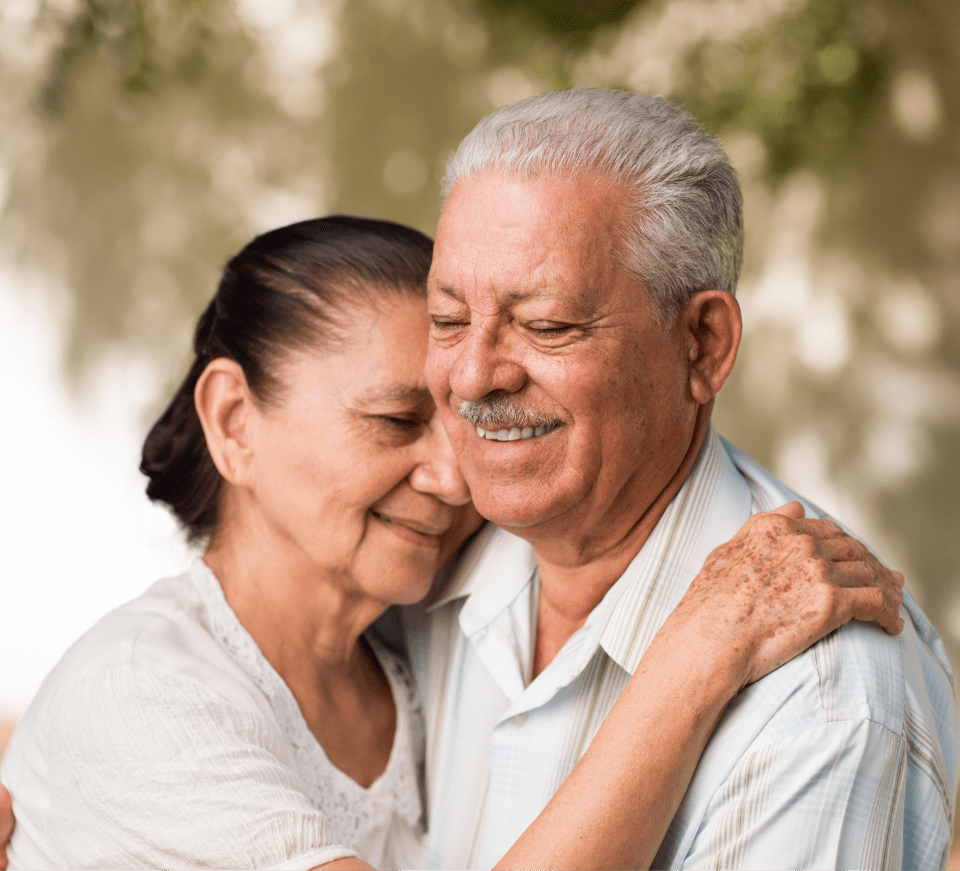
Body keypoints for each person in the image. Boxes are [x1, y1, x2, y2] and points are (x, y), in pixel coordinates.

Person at [0, 215, 904, 871]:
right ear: (235, 421)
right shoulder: (143, 695)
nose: (453, 474)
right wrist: (699, 652)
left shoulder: (410, 649)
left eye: (467, 420)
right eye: (396, 420)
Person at [411, 88, 959, 870]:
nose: (473, 376)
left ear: (702, 345)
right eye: (448, 319)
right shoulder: (414, 562)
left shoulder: (822, 698)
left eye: (547, 326)